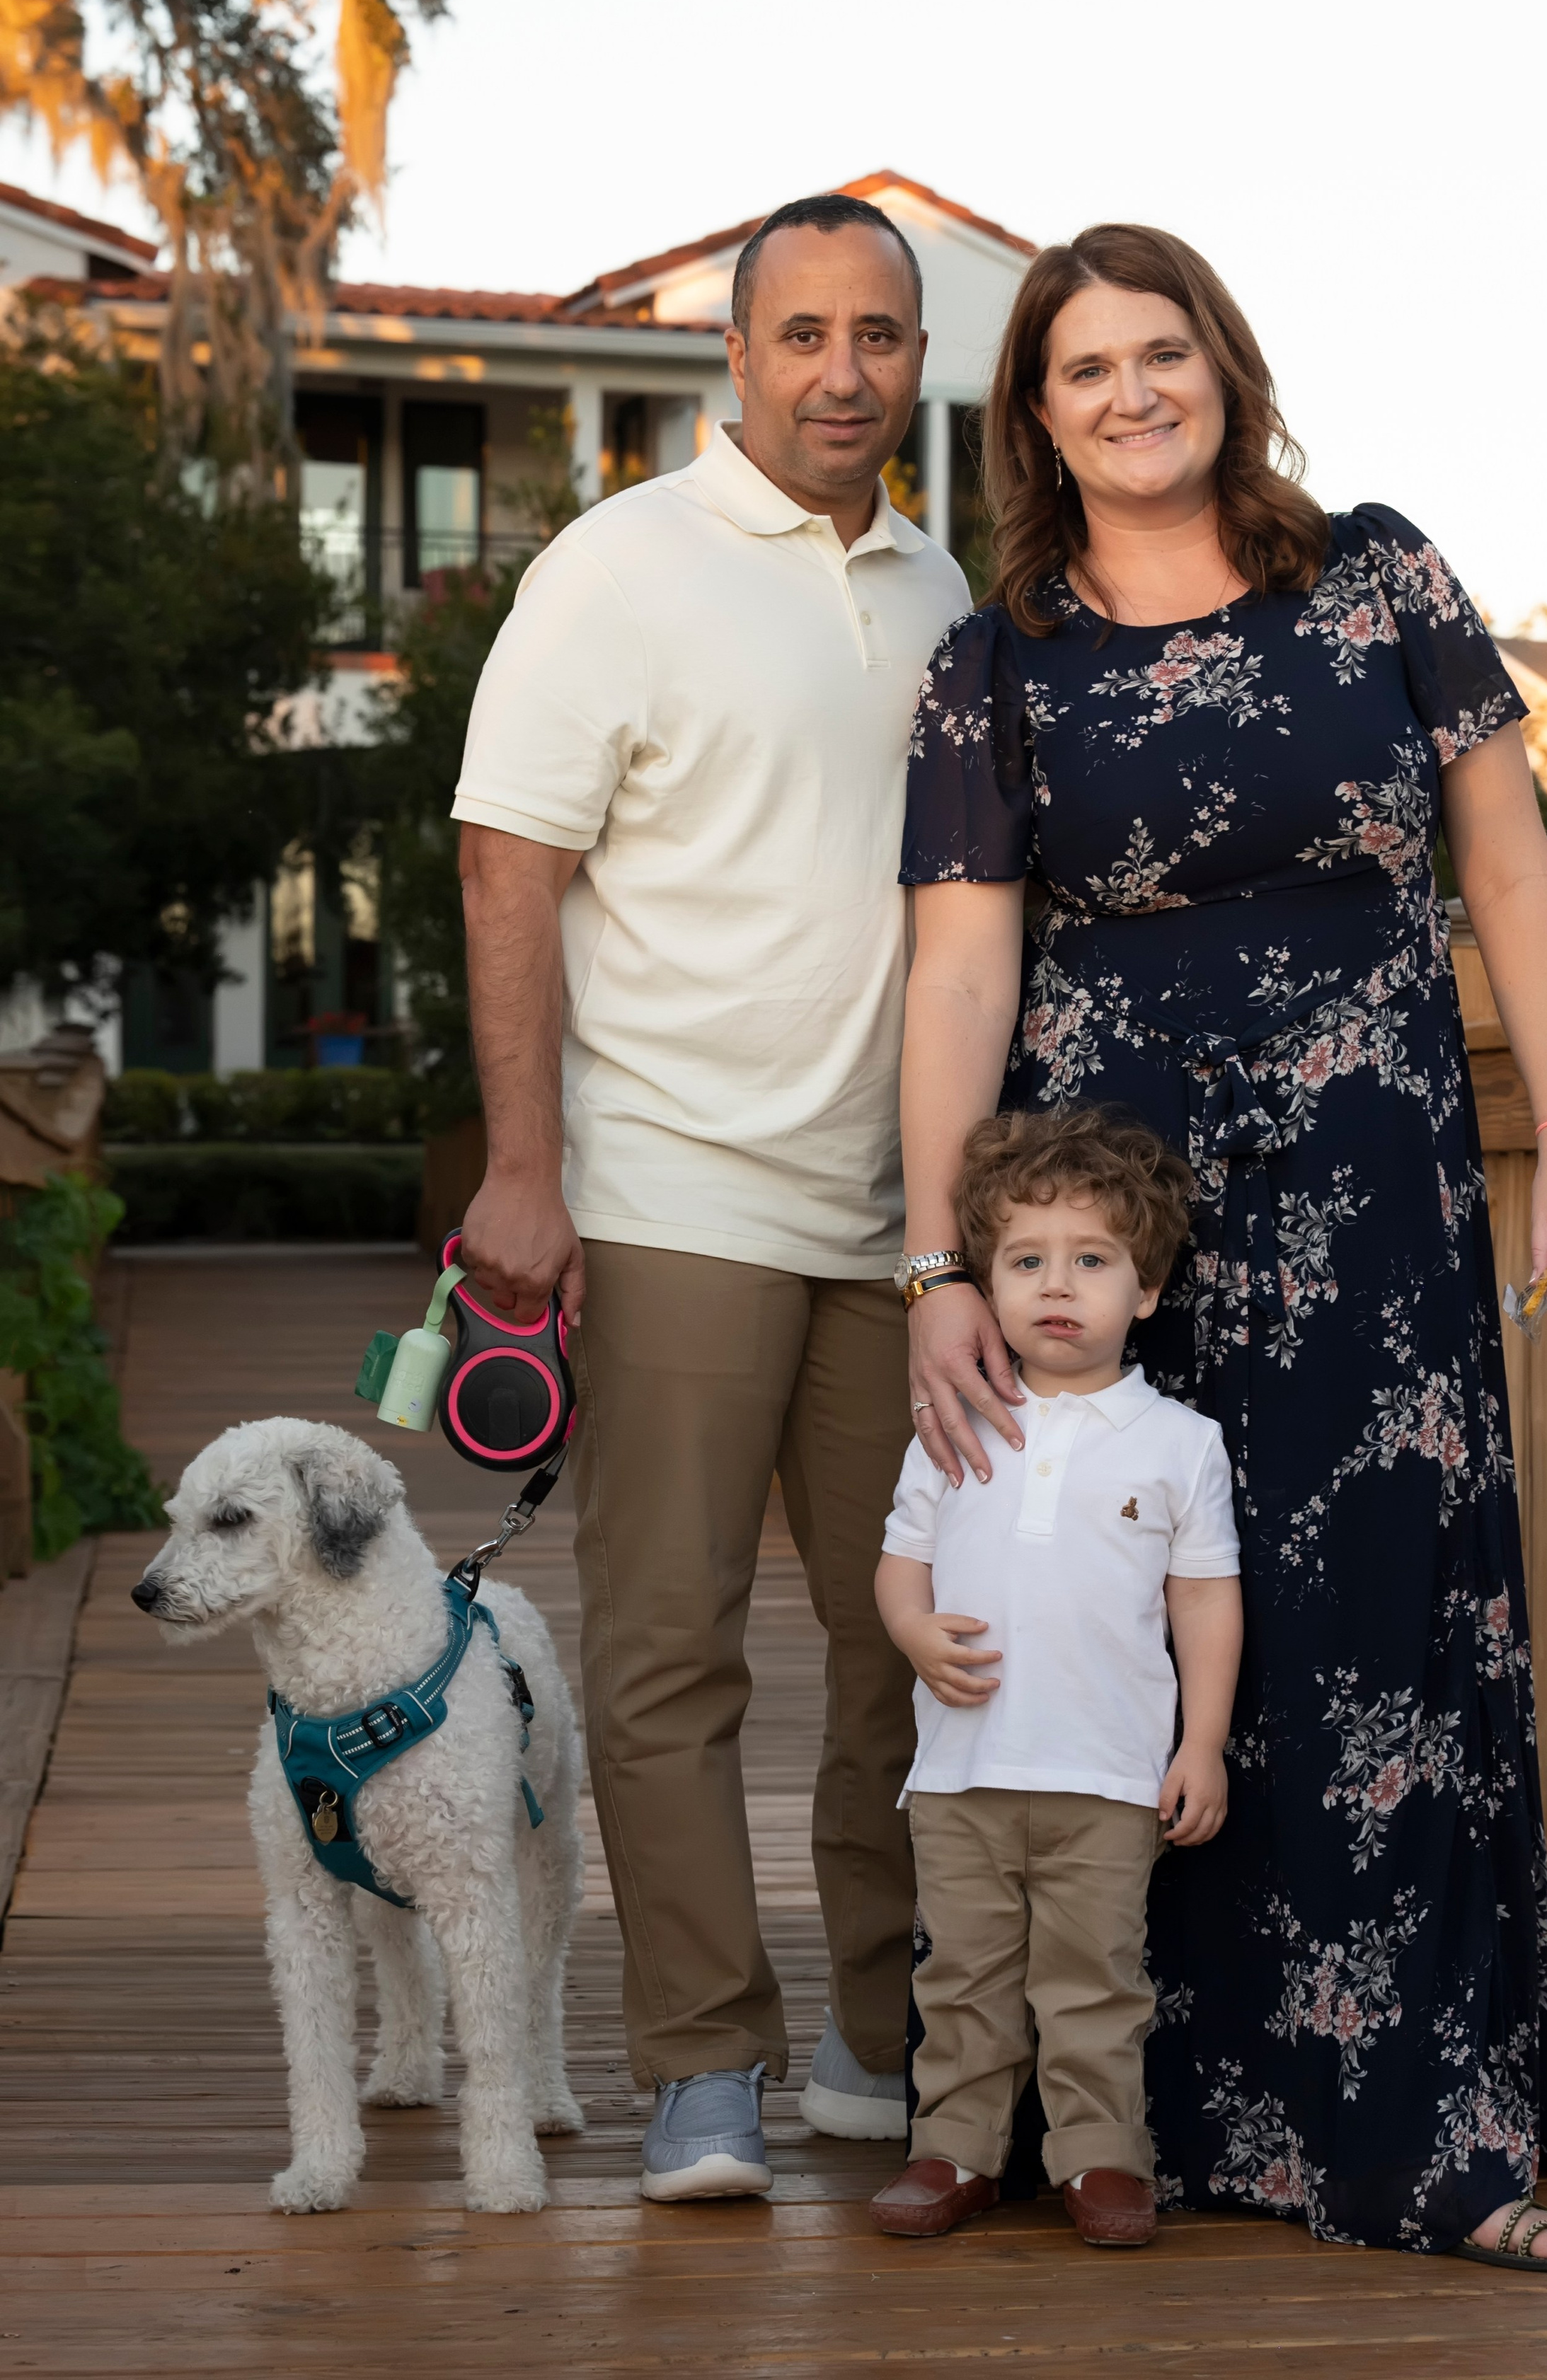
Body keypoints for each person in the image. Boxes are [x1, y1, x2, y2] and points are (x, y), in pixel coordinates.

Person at [895, 222, 1547, 2268]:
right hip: (1104, 1222)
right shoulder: (999, 657)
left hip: (1377, 1185)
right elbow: (957, 982)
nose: (1131, 394)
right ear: (1033, 417)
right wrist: (940, 1267)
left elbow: (1511, 869)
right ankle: (1122, 2113)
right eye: (1083, 370)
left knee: (1379, 1633)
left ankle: (1428, 2137)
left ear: (1225, 364)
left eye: (1162, 353)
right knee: (1110, 1621)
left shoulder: (1379, 572)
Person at [450, 192, 971, 2201]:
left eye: (881, 336)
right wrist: (525, 1163)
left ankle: (873, 2036)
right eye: (805, 335)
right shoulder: (619, 569)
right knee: (669, 1648)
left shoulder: (943, 590)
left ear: (917, 361)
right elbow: (510, 861)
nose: (844, 371)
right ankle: (700, 2068)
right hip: (674, 1183)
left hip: (897, 1217)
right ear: (734, 358)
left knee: (902, 1640)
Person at [868, 1107, 1243, 2249]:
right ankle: (956, 2149)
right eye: (1025, 1261)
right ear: (986, 1281)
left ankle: (1099, 2158)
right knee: (965, 1978)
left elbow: (1204, 1599)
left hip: (1108, 1773)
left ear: (1147, 1289)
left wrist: (1203, 1742)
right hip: (964, 1768)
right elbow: (900, 1566)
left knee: (1094, 1983)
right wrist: (916, 1636)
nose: (1055, 1284)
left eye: (1092, 1260)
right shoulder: (956, 1417)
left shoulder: (1178, 1442)